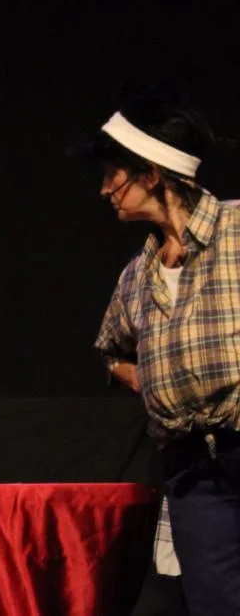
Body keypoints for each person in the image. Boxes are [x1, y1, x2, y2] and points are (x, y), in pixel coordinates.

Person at [90, 86, 239, 615]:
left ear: (151, 174)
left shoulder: (236, 232)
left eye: (114, 175)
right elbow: (111, 350)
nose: (105, 190)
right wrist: (152, 380)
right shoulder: (138, 274)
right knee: (215, 603)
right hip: (193, 466)